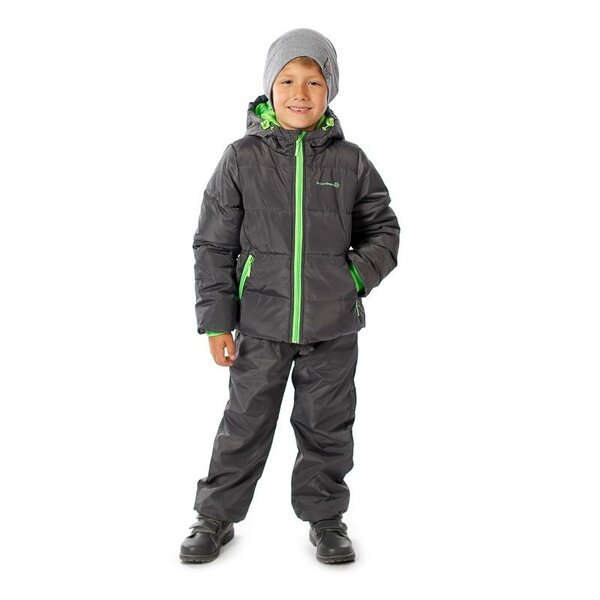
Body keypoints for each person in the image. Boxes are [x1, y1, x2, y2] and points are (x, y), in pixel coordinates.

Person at [180, 27, 400, 565]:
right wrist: (217, 321)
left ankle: (326, 519)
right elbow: (213, 244)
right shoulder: (241, 158)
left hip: (333, 327)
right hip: (260, 323)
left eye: (314, 82)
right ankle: (215, 516)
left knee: (327, 426)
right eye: (287, 81)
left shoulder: (350, 161)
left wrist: (350, 280)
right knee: (244, 424)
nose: (300, 93)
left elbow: (384, 232)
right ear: (269, 88)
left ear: (330, 91)